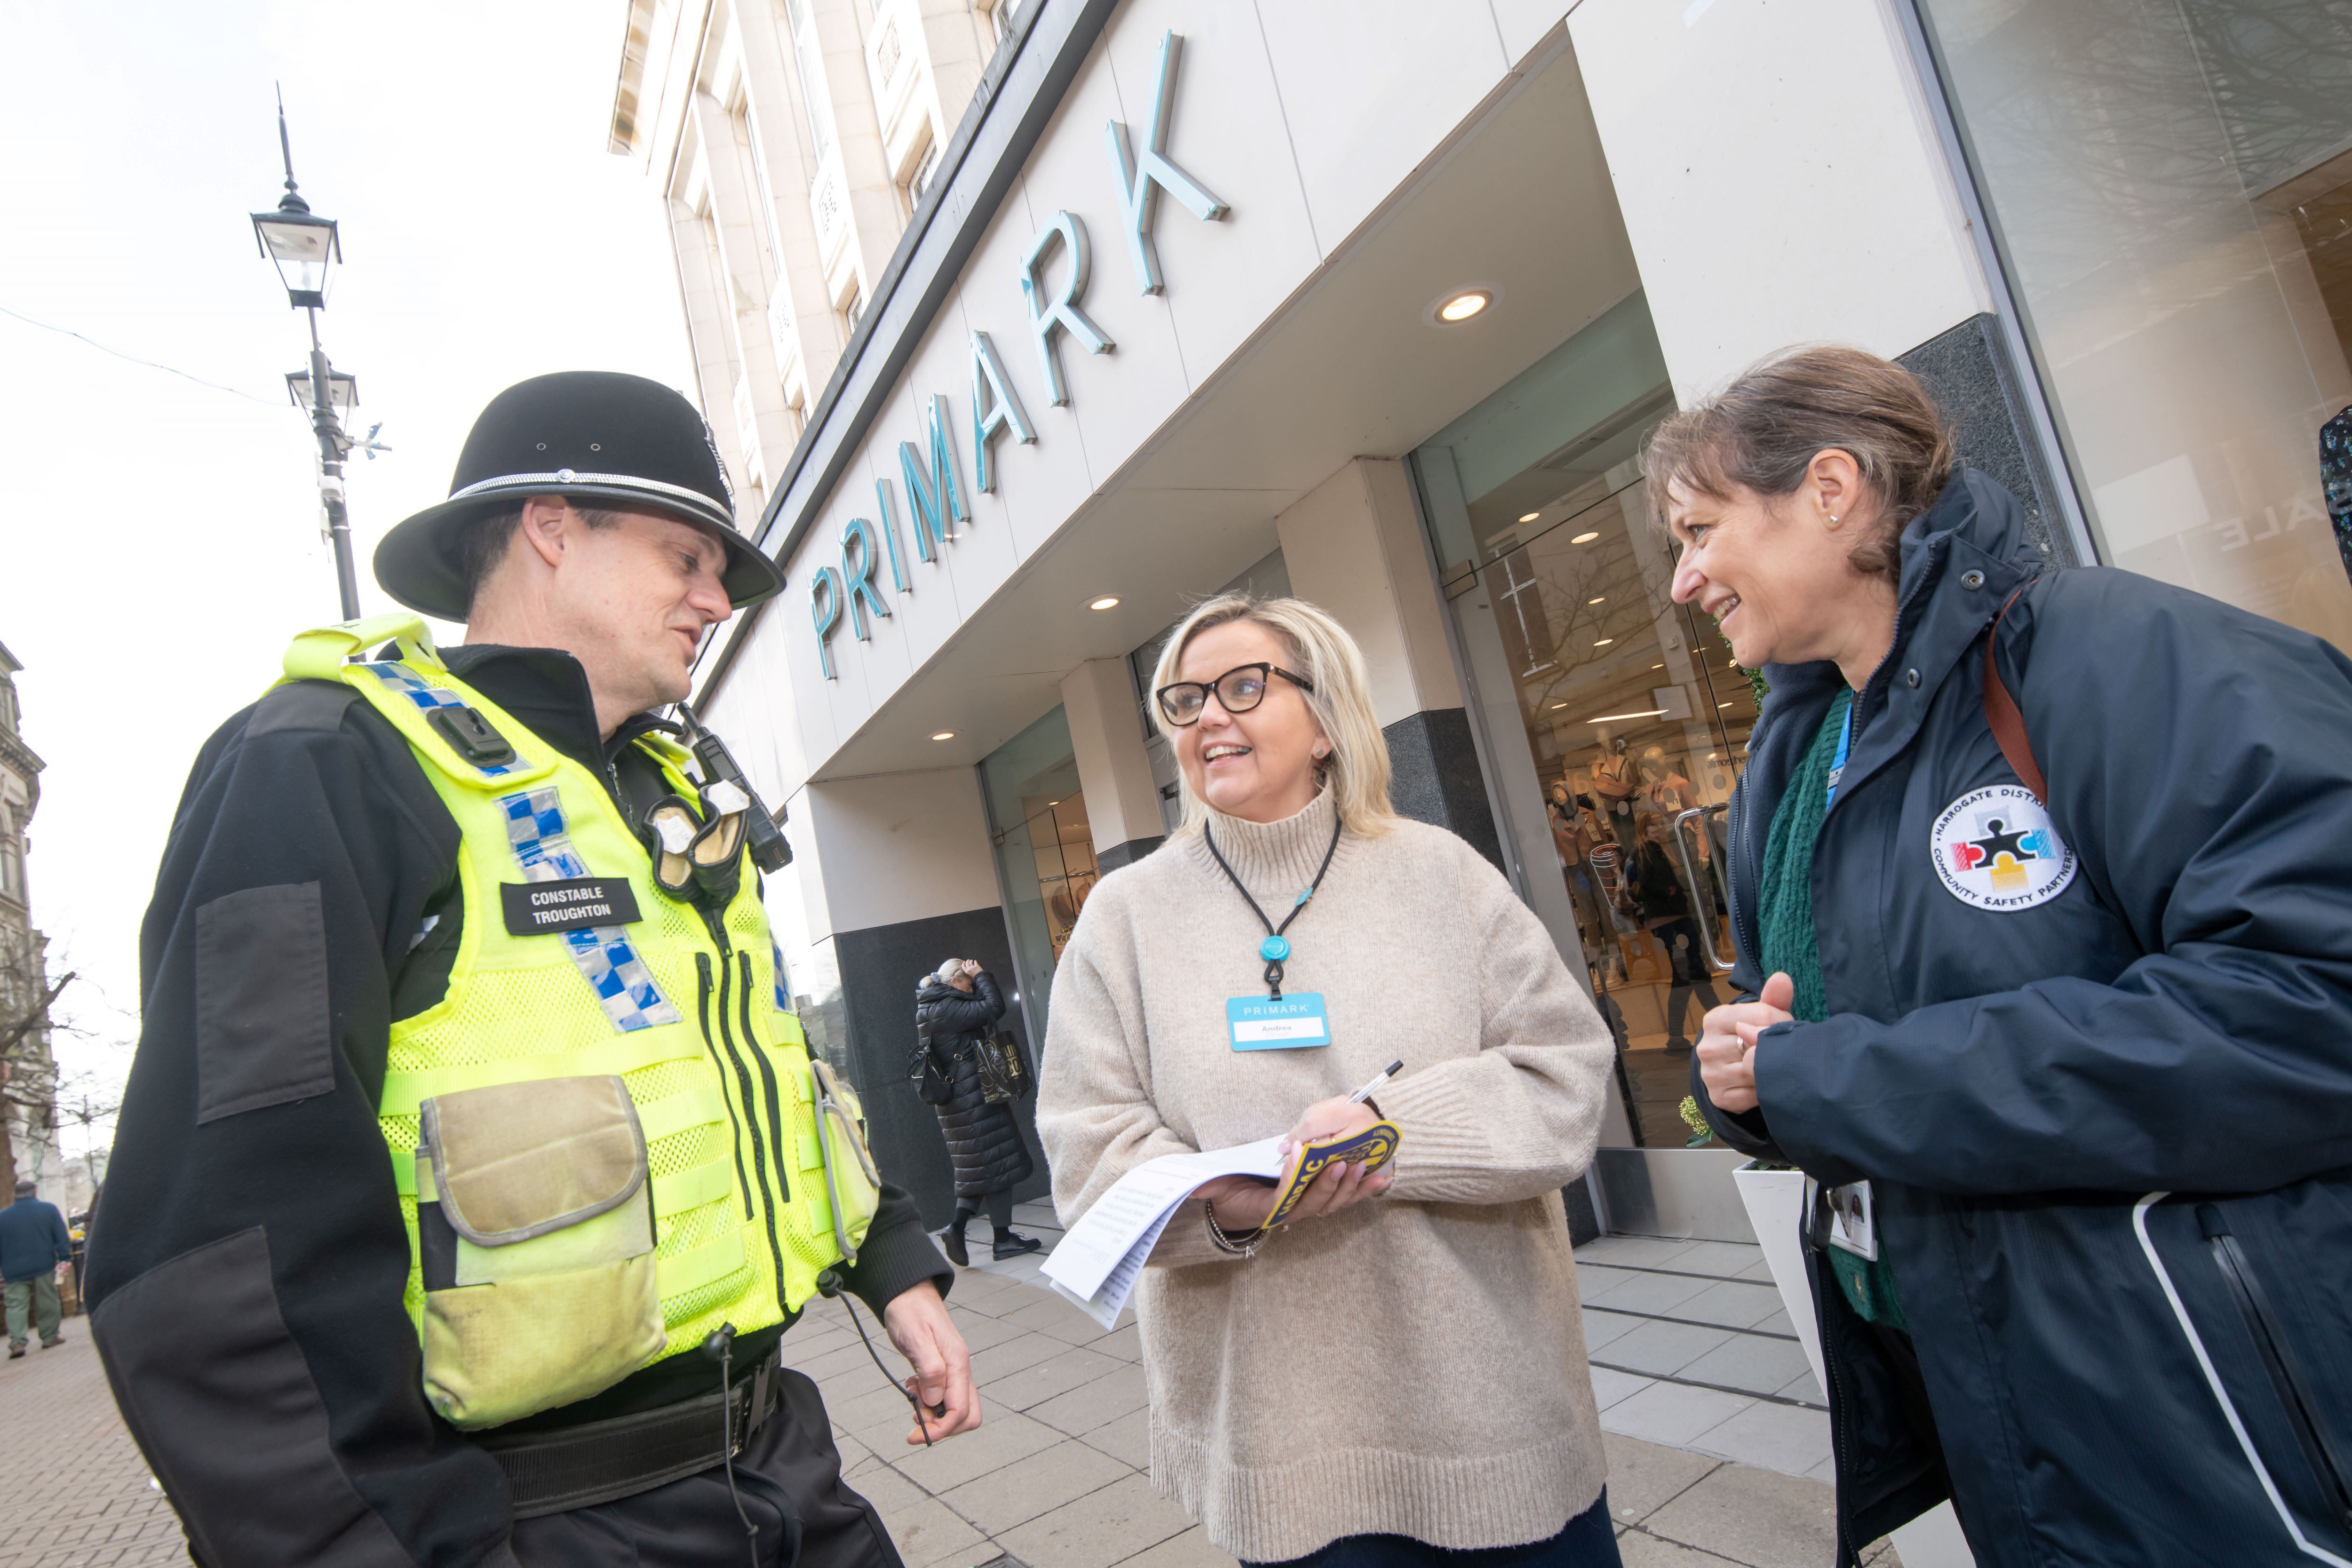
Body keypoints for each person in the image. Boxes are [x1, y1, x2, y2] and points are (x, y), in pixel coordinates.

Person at [86, 372, 978, 1568]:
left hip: (776, 1467)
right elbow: (216, 1242)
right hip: (533, 1520)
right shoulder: (322, 767)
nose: (717, 599)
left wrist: (895, 1268)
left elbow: (761, 1065)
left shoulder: (672, 789)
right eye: (686, 558)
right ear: (553, 529)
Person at [1659, 345, 2352, 1567]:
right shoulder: (1797, 757)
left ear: (1831, 488)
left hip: (2229, 1432)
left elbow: (2308, 1005)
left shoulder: (2113, 652)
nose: (1683, 579)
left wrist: (1831, 1079)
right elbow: (1832, 1035)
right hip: (2012, 1417)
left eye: (1702, 528)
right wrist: (1762, 1083)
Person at [1035, 594, 1620, 1568]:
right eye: (1185, 700)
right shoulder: (1123, 917)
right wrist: (1228, 1203)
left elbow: (1563, 1076)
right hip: (1282, 1443)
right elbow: (1088, 1149)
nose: (1207, 716)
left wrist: (1385, 1134)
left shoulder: (1442, 873)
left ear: (1324, 720)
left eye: (1243, 686)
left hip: (1494, 1419)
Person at [913, 958, 1043, 1264]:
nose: (972, 987)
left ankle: (962, 1230)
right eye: (968, 982)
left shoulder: (932, 1006)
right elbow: (993, 1007)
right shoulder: (946, 1007)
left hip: (961, 1102)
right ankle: (997, 1239)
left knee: (983, 1168)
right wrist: (983, 974)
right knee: (996, 1164)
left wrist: (977, 978)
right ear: (956, 980)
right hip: (973, 1100)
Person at [1623, 812, 1720, 1053]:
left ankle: (1696, 1031)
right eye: (1654, 825)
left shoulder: (1655, 850)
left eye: (1660, 823)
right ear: (1644, 830)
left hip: (1671, 918)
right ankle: (1716, 1025)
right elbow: (1646, 884)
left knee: (1689, 975)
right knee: (1691, 973)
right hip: (1670, 919)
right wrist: (1671, 891)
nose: (1660, 827)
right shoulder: (1647, 852)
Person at [1, 1178, 71, 1357]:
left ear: (15, 1195)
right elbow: (61, 1237)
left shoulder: (3, 1217)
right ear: (35, 1193)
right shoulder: (48, 1210)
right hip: (44, 1264)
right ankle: (50, 1337)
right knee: (47, 1300)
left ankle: (17, 1342)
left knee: (15, 1306)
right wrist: (65, 1258)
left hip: (13, 1269)